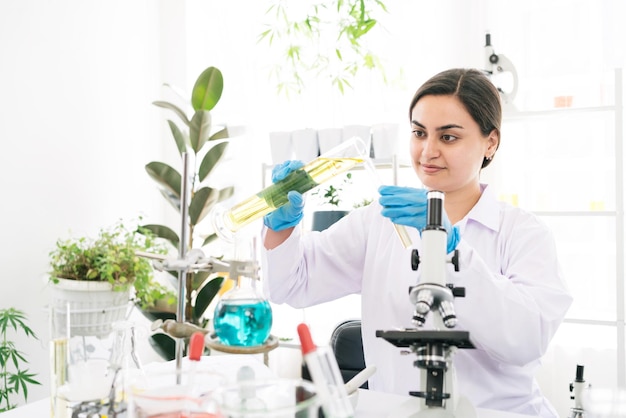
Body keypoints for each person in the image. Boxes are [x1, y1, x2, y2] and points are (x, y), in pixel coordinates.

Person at [261, 68, 573, 417]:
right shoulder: (379, 222)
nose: (428, 151)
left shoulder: (522, 233)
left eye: (448, 137)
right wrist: (282, 227)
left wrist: (448, 247)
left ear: (491, 142)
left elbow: (525, 340)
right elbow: (292, 283)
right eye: (419, 133)